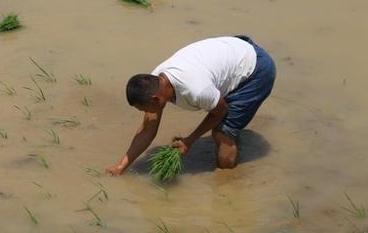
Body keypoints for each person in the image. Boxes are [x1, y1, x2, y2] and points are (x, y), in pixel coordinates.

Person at [106, 35, 276, 175]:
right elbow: (147, 129)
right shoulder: (155, 81)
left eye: (143, 109)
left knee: (222, 133)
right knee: (223, 121)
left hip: (257, 70)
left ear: (155, 99)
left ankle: (228, 185)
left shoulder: (196, 89)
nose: (145, 113)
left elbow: (221, 110)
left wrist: (190, 140)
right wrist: (121, 167)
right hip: (236, 50)